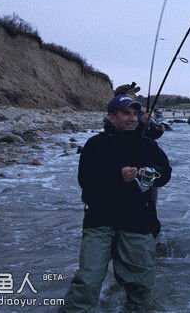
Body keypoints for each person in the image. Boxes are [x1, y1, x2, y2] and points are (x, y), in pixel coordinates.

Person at [60, 95, 172, 312]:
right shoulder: (96, 144)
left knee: (140, 285)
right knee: (88, 281)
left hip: (136, 221)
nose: (131, 118)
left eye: (134, 114)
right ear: (112, 116)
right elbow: (86, 181)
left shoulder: (146, 145)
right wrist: (118, 176)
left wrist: (150, 173)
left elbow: (165, 174)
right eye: (125, 113)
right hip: (99, 220)